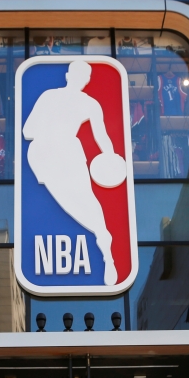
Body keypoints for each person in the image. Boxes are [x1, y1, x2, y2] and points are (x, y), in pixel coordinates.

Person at [22, 59, 119, 285]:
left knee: (74, 200)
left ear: (67, 76)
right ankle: (103, 236)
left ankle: (103, 236)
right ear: (86, 80)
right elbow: (102, 138)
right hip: (61, 151)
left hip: (46, 152)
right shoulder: (89, 104)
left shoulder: (49, 97)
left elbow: (29, 129)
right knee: (83, 198)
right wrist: (111, 156)